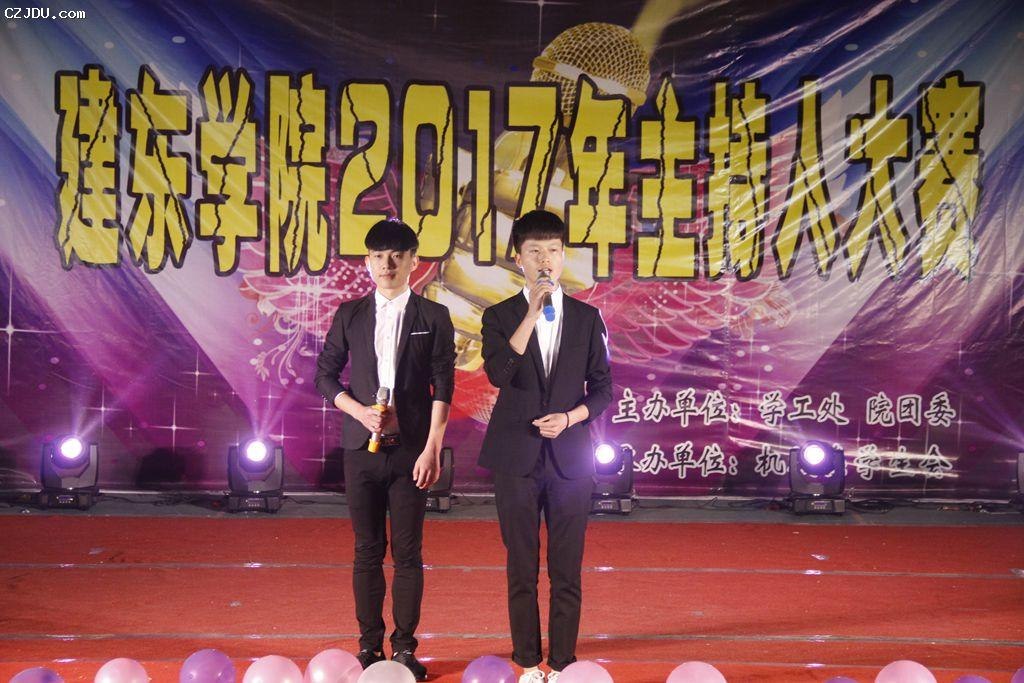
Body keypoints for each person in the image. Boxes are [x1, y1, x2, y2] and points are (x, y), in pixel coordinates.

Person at [315, 218, 455, 681]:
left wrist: (433, 448)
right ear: (367, 262)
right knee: (366, 550)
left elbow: (443, 384)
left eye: (397, 256)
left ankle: (405, 649)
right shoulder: (350, 314)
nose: (387, 264)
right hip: (362, 450)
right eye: (378, 256)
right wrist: (358, 411)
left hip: (412, 451)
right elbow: (325, 375)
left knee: (409, 553)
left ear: (414, 261)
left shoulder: (433, 316)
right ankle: (369, 647)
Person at [478, 209, 613, 682]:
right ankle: (529, 662)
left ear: (563, 256)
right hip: (516, 457)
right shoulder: (499, 316)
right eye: (535, 251)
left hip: (569, 458)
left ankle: (562, 663)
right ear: (518, 258)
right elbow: (499, 373)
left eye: (553, 251)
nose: (545, 260)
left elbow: (602, 389)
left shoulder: (587, 318)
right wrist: (532, 313)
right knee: (521, 565)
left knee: (566, 567)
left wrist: (571, 418)